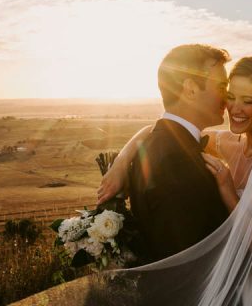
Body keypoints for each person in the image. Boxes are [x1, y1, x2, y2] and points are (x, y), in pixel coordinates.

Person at [98, 55, 252, 305]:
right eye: (231, 96)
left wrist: (229, 194)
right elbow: (166, 130)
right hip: (221, 283)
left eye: (247, 101)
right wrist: (121, 162)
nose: (234, 109)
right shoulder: (228, 142)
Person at [98, 44, 230, 264]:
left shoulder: (158, 142)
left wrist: (122, 160)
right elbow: (185, 259)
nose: (228, 97)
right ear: (191, 89)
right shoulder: (175, 161)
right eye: (221, 86)